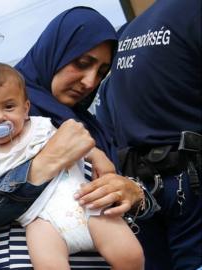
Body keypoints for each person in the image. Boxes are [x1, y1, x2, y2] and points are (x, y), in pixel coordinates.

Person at [0, 7, 153, 269]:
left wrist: (135, 193)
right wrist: (40, 168)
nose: (89, 81)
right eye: (82, 63)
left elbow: (128, 194)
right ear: (54, 51)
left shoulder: (91, 125)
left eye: (102, 71)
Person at [95, 0, 202, 269]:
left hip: (142, 189)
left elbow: (108, 116)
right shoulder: (193, 11)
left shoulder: (128, 33)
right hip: (190, 185)